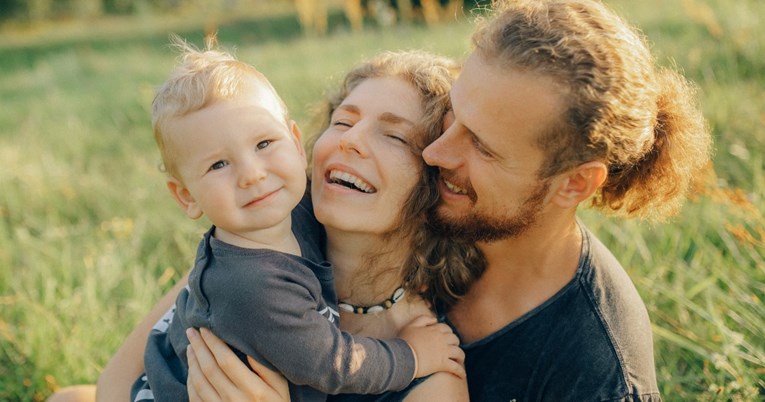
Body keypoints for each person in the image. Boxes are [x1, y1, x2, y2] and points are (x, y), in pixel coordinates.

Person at [181, 0, 713, 401]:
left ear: (573, 184)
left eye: (481, 144)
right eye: (453, 115)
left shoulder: (593, 367)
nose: (436, 149)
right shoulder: (357, 216)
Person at [47, 49, 481, 402]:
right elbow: (116, 385)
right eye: (343, 121)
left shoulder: (431, 369)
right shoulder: (257, 247)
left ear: (437, 182)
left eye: (395, 136)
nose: (349, 139)